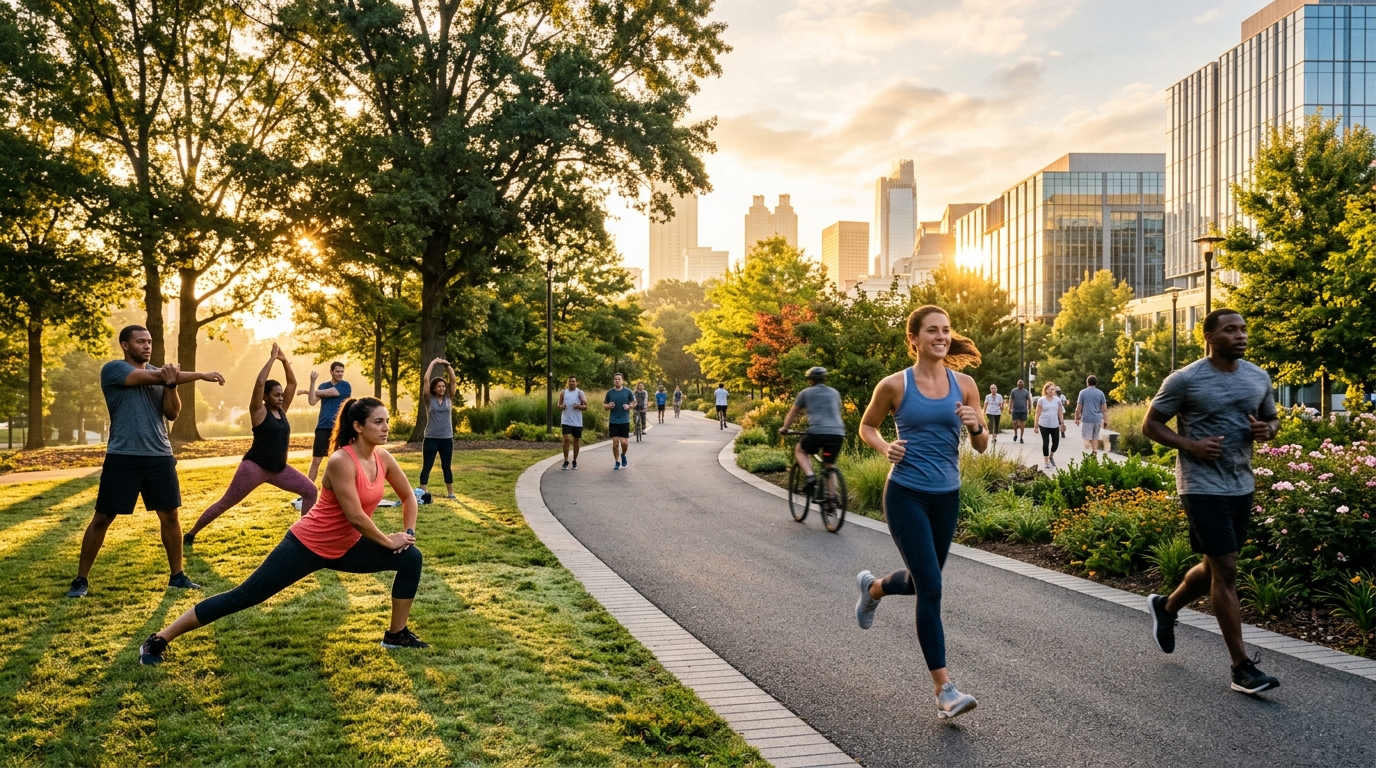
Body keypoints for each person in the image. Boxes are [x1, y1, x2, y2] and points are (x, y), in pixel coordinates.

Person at [139, 397, 428, 665]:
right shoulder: (341, 461)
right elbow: (355, 517)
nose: (386, 427)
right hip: (307, 545)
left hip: (346, 548)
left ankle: (396, 635)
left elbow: (408, 497)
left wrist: (408, 533)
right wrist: (388, 542)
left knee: (410, 558)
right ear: (358, 426)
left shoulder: (383, 458)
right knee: (243, 596)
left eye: (387, 421)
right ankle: (159, 639)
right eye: (378, 422)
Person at [852, 305, 988, 720]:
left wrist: (976, 425)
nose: (942, 336)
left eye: (946, 330)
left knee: (918, 580)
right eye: (932, 330)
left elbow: (982, 446)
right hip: (906, 494)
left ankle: (873, 588)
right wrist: (883, 447)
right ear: (914, 339)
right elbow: (867, 426)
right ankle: (944, 689)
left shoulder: (964, 385)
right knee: (931, 587)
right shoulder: (895, 385)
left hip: (946, 496)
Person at [1143, 308, 1281, 695]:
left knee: (1214, 564)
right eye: (1230, 330)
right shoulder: (1185, 380)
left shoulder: (1258, 377)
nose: (1240, 335)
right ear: (1209, 337)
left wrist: (1265, 430)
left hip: (1241, 483)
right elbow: (1150, 425)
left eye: (1243, 328)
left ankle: (1166, 608)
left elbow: (1272, 420)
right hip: (1200, 485)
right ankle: (1241, 668)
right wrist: (1191, 445)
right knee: (1227, 568)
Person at [67, 325, 226, 598]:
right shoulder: (114, 370)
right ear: (125, 345)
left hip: (160, 457)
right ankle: (81, 580)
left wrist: (172, 384)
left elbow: (172, 413)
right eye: (141, 341)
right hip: (123, 456)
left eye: (149, 341)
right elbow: (146, 377)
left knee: (170, 516)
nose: (147, 346)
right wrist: (200, 374)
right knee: (103, 517)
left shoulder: (161, 377)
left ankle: (177, 576)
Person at [183, 344, 316, 546]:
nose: (280, 398)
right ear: (265, 397)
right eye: (276, 395)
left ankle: (303, 539)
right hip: (254, 468)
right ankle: (191, 534)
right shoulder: (258, 411)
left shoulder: (282, 410)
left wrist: (283, 359)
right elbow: (260, 382)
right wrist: (271, 359)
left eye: (281, 395)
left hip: (279, 469)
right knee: (225, 503)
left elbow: (292, 384)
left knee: (310, 491)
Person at [781, 367, 845, 496]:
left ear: (810, 380)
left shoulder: (805, 393)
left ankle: (810, 477)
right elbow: (837, 410)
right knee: (830, 464)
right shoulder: (835, 393)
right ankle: (832, 498)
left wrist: (785, 428)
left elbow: (793, 412)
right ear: (824, 379)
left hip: (816, 433)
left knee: (800, 450)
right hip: (837, 434)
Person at [301, 362, 352, 483]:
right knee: (316, 461)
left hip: (339, 427)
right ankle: (309, 490)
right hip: (323, 427)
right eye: (337, 371)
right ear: (331, 372)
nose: (340, 374)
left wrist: (307, 391)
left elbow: (331, 393)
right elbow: (312, 401)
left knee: (339, 460)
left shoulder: (345, 386)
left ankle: (341, 488)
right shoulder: (323, 385)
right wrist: (312, 382)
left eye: (342, 371)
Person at [419, 358, 456, 499]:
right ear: (434, 388)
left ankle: (450, 493)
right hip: (431, 438)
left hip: (446, 438)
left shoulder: (449, 398)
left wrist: (447, 365)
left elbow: (453, 380)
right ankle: (422, 493)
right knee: (427, 466)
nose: (442, 388)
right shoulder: (428, 399)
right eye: (439, 386)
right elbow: (426, 379)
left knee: (446, 466)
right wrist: (433, 363)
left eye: (443, 386)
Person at [603, 373, 634, 469]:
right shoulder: (610, 392)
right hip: (614, 421)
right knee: (615, 442)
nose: (617, 381)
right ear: (613, 380)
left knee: (624, 442)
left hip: (624, 420)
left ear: (622, 380)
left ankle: (623, 455)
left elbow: (634, 403)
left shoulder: (628, 392)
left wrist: (629, 406)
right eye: (615, 379)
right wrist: (609, 406)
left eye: (619, 379)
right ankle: (617, 461)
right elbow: (605, 405)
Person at [1074, 375, 1108, 458]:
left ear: (1087, 383)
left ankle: (1089, 447)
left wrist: (1076, 417)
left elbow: (1078, 407)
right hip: (1097, 419)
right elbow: (1104, 409)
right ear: (1096, 383)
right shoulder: (1100, 393)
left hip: (1087, 419)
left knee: (1086, 438)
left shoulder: (1083, 392)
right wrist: (1105, 420)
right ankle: (1094, 452)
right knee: (1095, 437)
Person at [558, 375, 588, 470]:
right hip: (566, 420)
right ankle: (566, 460)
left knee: (576, 441)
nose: (572, 383)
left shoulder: (580, 393)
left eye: (573, 381)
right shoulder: (563, 393)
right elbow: (558, 404)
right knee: (566, 439)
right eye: (570, 381)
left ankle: (574, 460)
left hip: (577, 421)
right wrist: (561, 407)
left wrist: (578, 406)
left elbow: (586, 406)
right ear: (568, 382)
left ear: (576, 382)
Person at [1034, 382, 1064, 468]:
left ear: (1055, 390)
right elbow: (1037, 412)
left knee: (1056, 442)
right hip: (1043, 424)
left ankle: (1051, 455)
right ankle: (1046, 461)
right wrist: (1036, 425)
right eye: (1049, 389)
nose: (1051, 391)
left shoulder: (1057, 400)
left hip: (1054, 424)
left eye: (1052, 389)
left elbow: (1060, 412)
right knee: (1046, 442)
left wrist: (1062, 423)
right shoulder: (1041, 400)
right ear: (1046, 390)